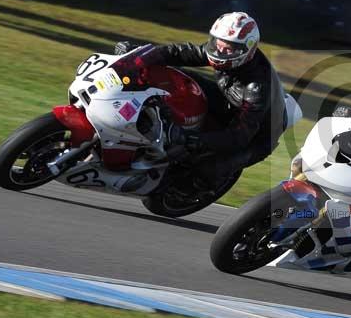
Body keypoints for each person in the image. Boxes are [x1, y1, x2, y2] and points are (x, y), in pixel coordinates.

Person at [114, 12, 285, 193]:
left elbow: (240, 135)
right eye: (217, 43)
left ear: (247, 51)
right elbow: (179, 53)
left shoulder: (257, 88)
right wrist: (137, 56)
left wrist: (196, 140)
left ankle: (184, 187)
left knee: (208, 171)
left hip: (257, 136)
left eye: (227, 49)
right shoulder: (225, 52)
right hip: (229, 98)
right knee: (176, 77)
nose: (219, 51)